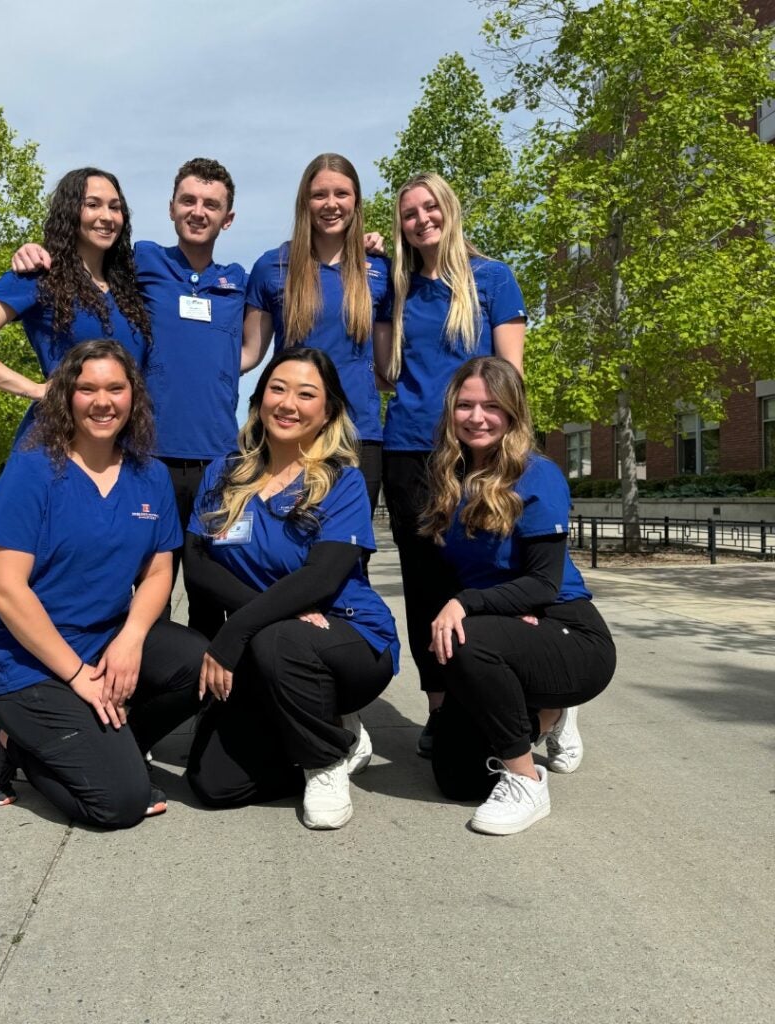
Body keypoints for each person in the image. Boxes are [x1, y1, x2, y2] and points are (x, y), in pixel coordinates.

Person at [0, 340, 205, 828]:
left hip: (105, 640)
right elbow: (6, 589)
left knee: (202, 666)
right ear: (64, 397)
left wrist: (131, 639)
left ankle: (109, 746)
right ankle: (14, 742)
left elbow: (159, 572)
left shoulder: (150, 475)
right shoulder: (31, 470)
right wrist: (77, 675)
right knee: (118, 804)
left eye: (116, 388)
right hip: (30, 659)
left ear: (133, 397)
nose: (103, 401)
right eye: (87, 388)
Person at [11, 158, 246, 638]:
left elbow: (252, 349)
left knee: (212, 590)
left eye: (211, 204)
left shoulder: (241, 278)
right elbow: (80, 261)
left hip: (219, 461)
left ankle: (213, 702)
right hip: (146, 454)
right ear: (171, 208)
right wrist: (32, 250)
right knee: (147, 585)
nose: (198, 211)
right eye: (188, 201)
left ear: (229, 217)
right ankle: (145, 684)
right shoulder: (140, 262)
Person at [182, 348, 399, 830]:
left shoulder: (342, 481)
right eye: (277, 389)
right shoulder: (223, 473)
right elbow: (196, 565)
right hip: (268, 642)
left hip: (347, 637)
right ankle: (334, 736)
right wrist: (263, 618)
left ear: (328, 411)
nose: (288, 403)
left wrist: (240, 628)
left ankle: (324, 761)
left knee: (279, 640)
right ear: (259, 400)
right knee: (214, 784)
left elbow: (323, 577)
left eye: (307, 394)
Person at [422, 356, 615, 835]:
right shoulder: (450, 477)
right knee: (455, 778)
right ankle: (541, 712)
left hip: (567, 629)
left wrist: (472, 606)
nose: (477, 417)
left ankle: (527, 780)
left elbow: (544, 584)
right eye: (465, 405)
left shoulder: (536, 473)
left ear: (512, 412)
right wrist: (499, 619)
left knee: (466, 637)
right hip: (509, 629)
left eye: (491, 405)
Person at [375, 172, 527, 758]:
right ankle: (439, 709)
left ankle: (520, 699)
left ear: (449, 209)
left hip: (478, 451)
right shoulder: (398, 285)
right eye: (409, 213)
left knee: (485, 575)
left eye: (430, 207)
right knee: (425, 584)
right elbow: (387, 370)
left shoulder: (493, 278)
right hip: (411, 447)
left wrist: (507, 451)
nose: (421, 220)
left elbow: (510, 379)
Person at [0, 167, 151, 444]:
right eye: (92, 205)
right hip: (57, 445)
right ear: (70, 211)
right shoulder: (40, 275)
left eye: (115, 207)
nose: (106, 216)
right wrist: (36, 390)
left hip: (122, 451)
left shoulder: (129, 289)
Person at [241, 153, 392, 513]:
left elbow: (388, 367)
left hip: (358, 434)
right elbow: (248, 353)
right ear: (304, 202)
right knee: (285, 546)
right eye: (319, 195)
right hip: (289, 433)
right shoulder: (272, 266)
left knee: (351, 554)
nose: (331, 204)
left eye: (342, 194)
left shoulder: (381, 270)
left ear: (356, 201)